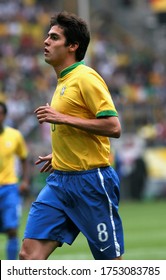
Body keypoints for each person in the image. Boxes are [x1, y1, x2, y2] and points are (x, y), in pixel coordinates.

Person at [19, 11, 124, 260]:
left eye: (54, 37)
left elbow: (113, 127)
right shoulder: (63, 81)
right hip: (59, 183)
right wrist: (60, 155)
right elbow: (80, 129)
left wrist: (61, 118)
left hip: (91, 184)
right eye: (47, 36)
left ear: (73, 46)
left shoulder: (86, 78)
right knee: (28, 256)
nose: (45, 41)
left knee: (110, 265)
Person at [0, 101, 29, 260]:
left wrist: (25, 180)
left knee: (12, 229)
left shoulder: (14, 135)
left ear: (4, 116)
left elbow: (24, 158)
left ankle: (11, 268)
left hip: (9, 187)